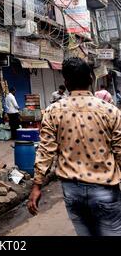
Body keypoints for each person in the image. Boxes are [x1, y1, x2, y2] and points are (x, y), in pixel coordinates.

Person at [27, 57, 121, 236]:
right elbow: (119, 150)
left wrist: (37, 186)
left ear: (66, 82)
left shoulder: (53, 111)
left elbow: (45, 150)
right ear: (91, 79)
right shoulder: (110, 111)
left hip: (72, 191)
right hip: (105, 189)